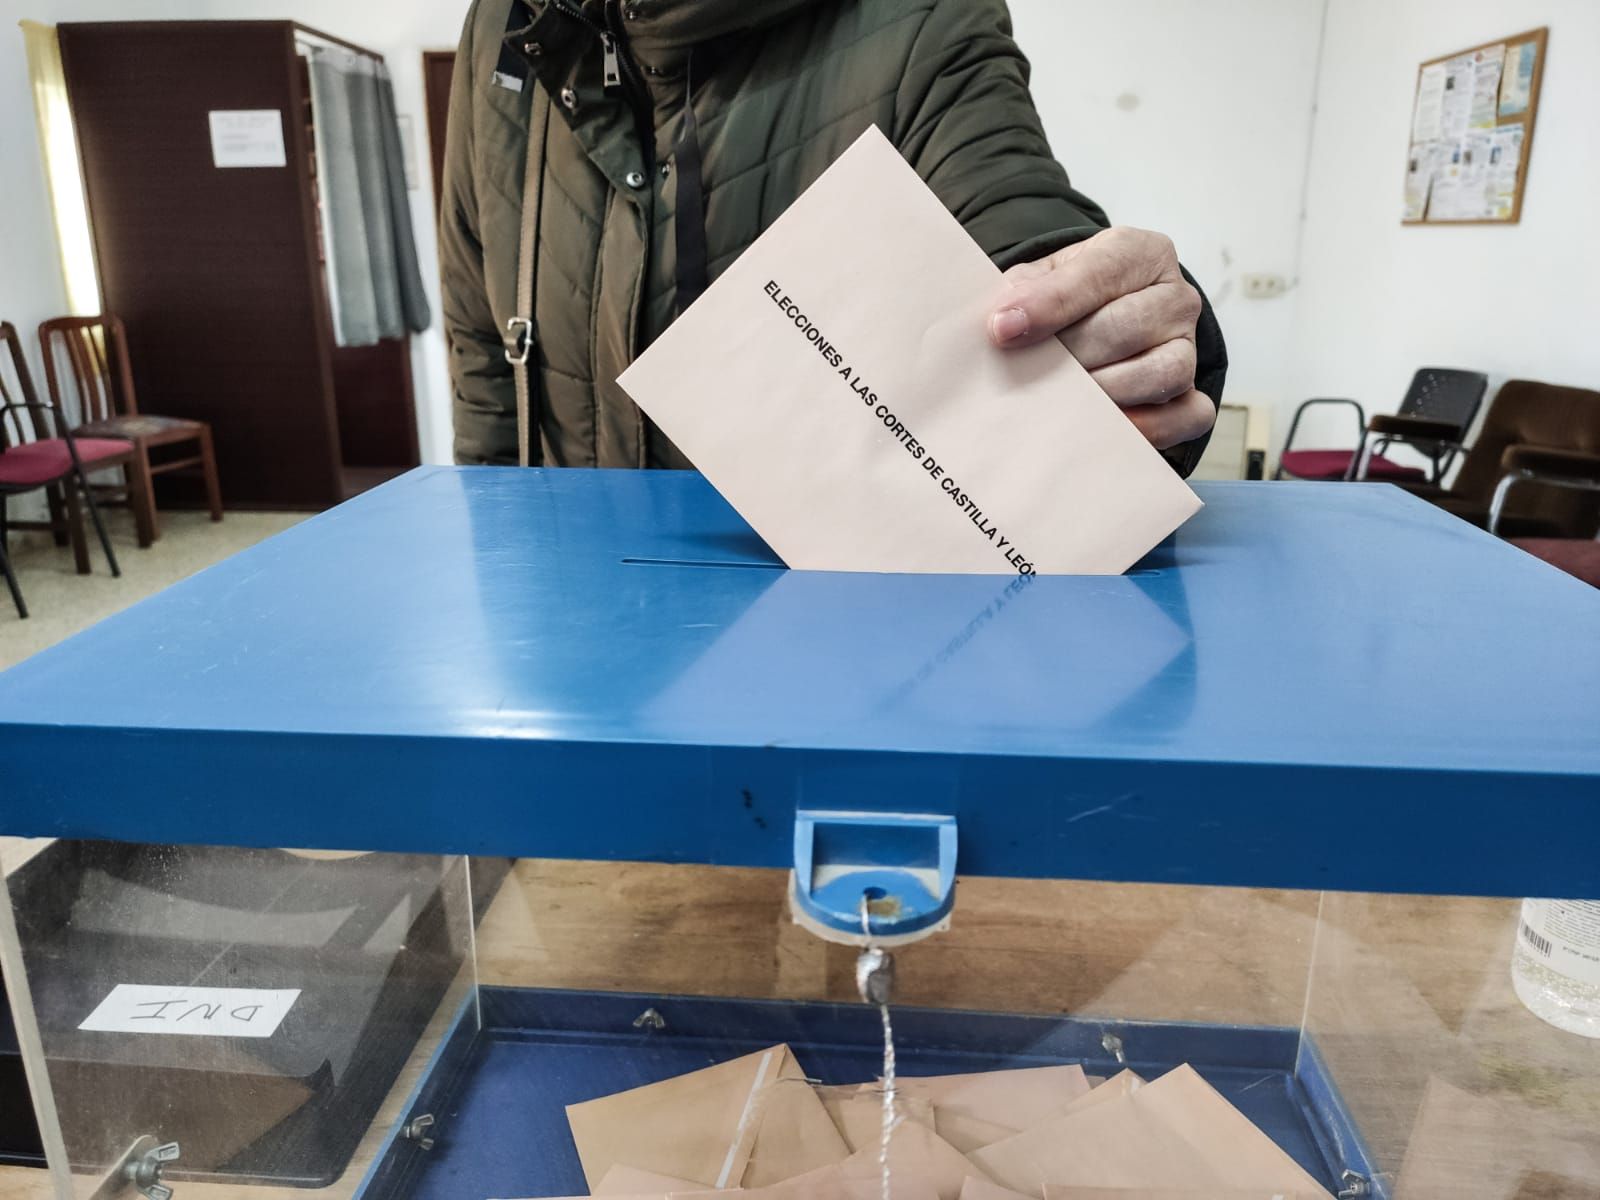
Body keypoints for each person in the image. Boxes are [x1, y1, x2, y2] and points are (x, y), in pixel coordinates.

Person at [440, 0, 1226, 475]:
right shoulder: (504, 28)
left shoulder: (919, 17)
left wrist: (1118, 331)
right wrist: (504, 571)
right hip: (572, 654)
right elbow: (481, 336)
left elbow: (1016, 220)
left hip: (817, 662)